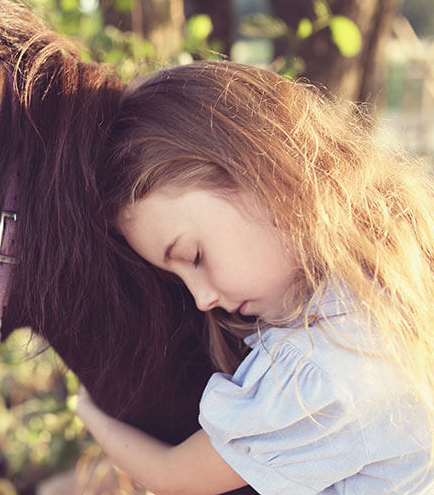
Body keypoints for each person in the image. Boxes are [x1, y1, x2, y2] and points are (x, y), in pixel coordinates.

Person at [77, 61, 434, 494]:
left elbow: (175, 477)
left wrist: (90, 413)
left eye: (193, 255)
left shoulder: (318, 375)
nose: (201, 299)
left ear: (262, 173)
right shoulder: (399, 265)